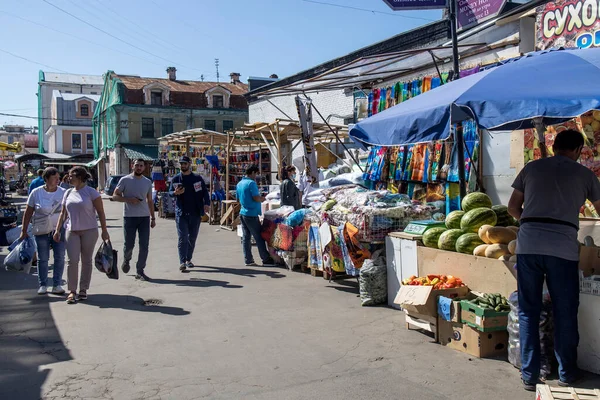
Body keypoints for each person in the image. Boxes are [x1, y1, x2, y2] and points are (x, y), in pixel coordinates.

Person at [507, 129, 600, 391]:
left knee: (528, 310)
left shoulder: (531, 168)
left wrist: (530, 222)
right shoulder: (585, 174)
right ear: (579, 150)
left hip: (528, 246)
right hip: (562, 249)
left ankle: (529, 375)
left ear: (555, 146)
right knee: (565, 311)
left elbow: (512, 208)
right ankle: (567, 373)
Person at [54, 167, 110, 304]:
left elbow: (101, 213)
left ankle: (83, 289)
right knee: (72, 261)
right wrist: (57, 229)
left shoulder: (91, 192)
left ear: (80, 177)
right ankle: (72, 291)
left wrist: (104, 230)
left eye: (71, 175)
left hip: (89, 231)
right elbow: (63, 213)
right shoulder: (67, 193)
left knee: (86, 261)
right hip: (71, 231)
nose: (68, 177)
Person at [20, 167, 66, 295]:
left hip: (59, 229)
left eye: (58, 178)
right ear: (46, 179)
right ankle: (43, 285)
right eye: (54, 178)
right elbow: (28, 212)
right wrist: (24, 230)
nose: (58, 180)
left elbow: (68, 211)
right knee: (43, 258)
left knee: (60, 257)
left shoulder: (63, 192)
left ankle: (57, 285)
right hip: (41, 230)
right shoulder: (36, 193)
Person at [112, 159, 155, 281]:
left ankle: (140, 270)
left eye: (141, 166)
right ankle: (127, 259)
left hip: (144, 217)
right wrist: (129, 199)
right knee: (129, 244)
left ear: (144, 167)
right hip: (129, 217)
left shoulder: (147, 182)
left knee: (144, 245)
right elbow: (115, 196)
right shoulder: (125, 180)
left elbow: (150, 201)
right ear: (133, 166)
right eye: (137, 165)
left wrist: (153, 218)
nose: (139, 168)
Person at [170, 156, 210, 272]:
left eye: (185, 164)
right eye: (181, 164)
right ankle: (182, 262)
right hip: (181, 213)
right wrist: (175, 192)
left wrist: (206, 203)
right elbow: (169, 193)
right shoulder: (176, 179)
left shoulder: (197, 178)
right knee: (183, 237)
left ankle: (188, 259)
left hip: (195, 213)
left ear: (189, 164)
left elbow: (205, 193)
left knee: (192, 237)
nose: (183, 166)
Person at [236, 165, 275, 267]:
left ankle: (248, 260)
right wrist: (263, 199)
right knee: (258, 236)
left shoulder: (239, 183)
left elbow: (237, 199)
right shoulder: (251, 183)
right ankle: (265, 259)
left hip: (243, 213)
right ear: (252, 172)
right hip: (251, 214)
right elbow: (256, 198)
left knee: (246, 238)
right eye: (256, 173)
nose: (256, 176)